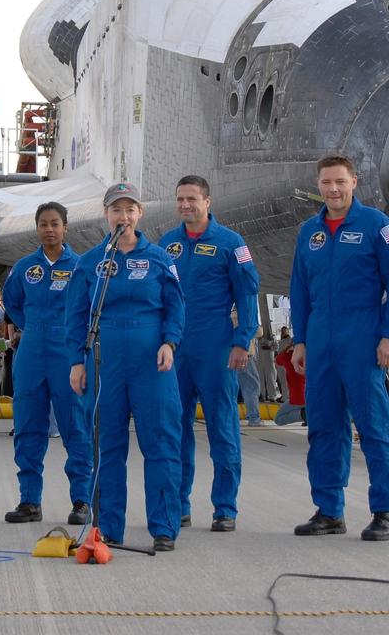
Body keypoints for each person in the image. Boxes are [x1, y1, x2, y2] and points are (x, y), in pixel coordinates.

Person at [290, 156, 389, 542]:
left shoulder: (378, 226)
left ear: (354, 182)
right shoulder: (310, 232)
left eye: (340, 181)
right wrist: (301, 340)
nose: (333, 189)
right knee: (324, 427)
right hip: (321, 339)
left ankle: (385, 512)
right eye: (326, 183)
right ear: (319, 185)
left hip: (362, 336)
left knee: (374, 425)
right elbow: (299, 290)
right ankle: (328, 511)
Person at [68, 182, 185, 552]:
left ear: (140, 214)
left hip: (151, 359)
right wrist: (76, 361)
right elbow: (74, 317)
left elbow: (176, 306)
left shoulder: (160, 259)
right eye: (116, 210)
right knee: (107, 445)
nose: (124, 216)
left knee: (161, 441)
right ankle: (108, 527)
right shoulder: (90, 263)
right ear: (106, 215)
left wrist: (169, 341)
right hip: (105, 360)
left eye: (130, 209)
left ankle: (165, 526)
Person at [158, 174, 260, 531]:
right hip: (175, 348)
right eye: (180, 199)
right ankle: (178, 504)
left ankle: (225, 508)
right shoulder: (166, 244)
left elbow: (247, 294)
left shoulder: (231, 243)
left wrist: (242, 340)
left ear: (207, 202)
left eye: (192, 199)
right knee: (175, 429)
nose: (186, 205)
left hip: (216, 346)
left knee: (223, 427)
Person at [1, 202, 93, 525]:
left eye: (55, 223)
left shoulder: (81, 266)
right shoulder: (25, 267)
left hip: (68, 351)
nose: (49, 229)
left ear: (66, 227)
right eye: (43, 224)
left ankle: (82, 500)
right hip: (31, 350)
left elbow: (91, 306)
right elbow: (10, 300)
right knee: (28, 425)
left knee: (75, 425)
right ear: (37, 228)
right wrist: (32, 324)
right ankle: (29, 501)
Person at [273, 339, 306, 426]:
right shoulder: (312, 356)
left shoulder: (288, 357)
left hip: (297, 397)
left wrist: (287, 346)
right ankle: (306, 414)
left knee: (278, 419)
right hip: (311, 396)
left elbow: (277, 359)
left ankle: (304, 415)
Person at [238, 331, 264, 427]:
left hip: (228, 354)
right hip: (245, 354)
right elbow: (258, 332)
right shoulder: (245, 316)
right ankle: (254, 418)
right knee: (251, 387)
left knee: (229, 388)